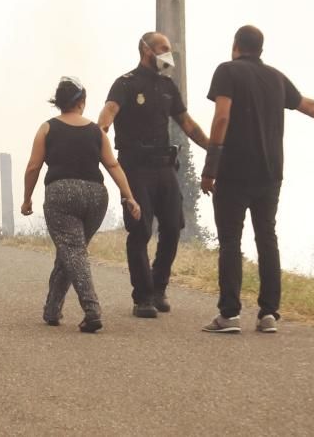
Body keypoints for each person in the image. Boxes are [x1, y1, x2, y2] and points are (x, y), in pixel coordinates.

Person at [200, 26, 314, 333]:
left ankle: (229, 315)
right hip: (270, 173)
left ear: (235, 46)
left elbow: (221, 117)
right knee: (266, 237)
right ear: (260, 49)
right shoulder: (275, 77)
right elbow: (306, 105)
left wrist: (210, 167)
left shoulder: (227, 71)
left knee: (230, 241)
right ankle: (268, 313)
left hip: (234, 171)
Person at [98, 32, 209, 318]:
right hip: (134, 167)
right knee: (140, 230)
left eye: (168, 49)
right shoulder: (126, 83)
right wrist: (99, 134)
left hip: (164, 167)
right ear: (145, 49)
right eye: (162, 49)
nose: (167, 54)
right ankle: (143, 297)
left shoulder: (168, 86)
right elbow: (109, 111)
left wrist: (215, 148)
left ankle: (159, 288)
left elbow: (187, 124)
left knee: (172, 227)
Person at [22, 77, 141, 333]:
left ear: (59, 103)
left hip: (61, 194)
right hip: (96, 197)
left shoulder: (47, 128)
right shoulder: (96, 131)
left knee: (72, 251)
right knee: (70, 251)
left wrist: (27, 198)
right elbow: (112, 165)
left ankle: (92, 310)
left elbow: (33, 166)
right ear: (82, 103)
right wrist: (128, 195)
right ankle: (52, 310)